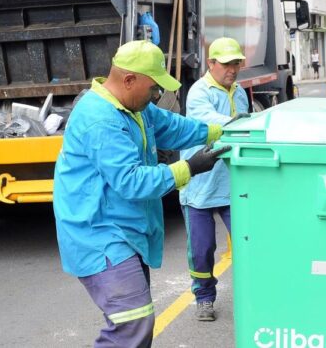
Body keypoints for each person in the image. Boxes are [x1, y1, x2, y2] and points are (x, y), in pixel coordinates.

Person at [53, 40, 231, 348]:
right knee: (133, 322)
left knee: (136, 323)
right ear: (129, 80)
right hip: (99, 235)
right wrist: (189, 167)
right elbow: (131, 180)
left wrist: (224, 131)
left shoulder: (135, 108)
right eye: (153, 88)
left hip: (125, 231)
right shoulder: (100, 118)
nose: (157, 95)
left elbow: (175, 127)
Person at [179, 37, 250, 322]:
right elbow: (212, 122)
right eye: (226, 64)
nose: (232, 69)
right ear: (211, 63)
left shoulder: (239, 91)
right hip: (200, 187)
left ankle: (254, 293)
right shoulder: (199, 92)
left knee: (249, 243)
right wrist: (244, 122)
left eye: (236, 63)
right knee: (202, 249)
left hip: (232, 186)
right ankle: (204, 298)